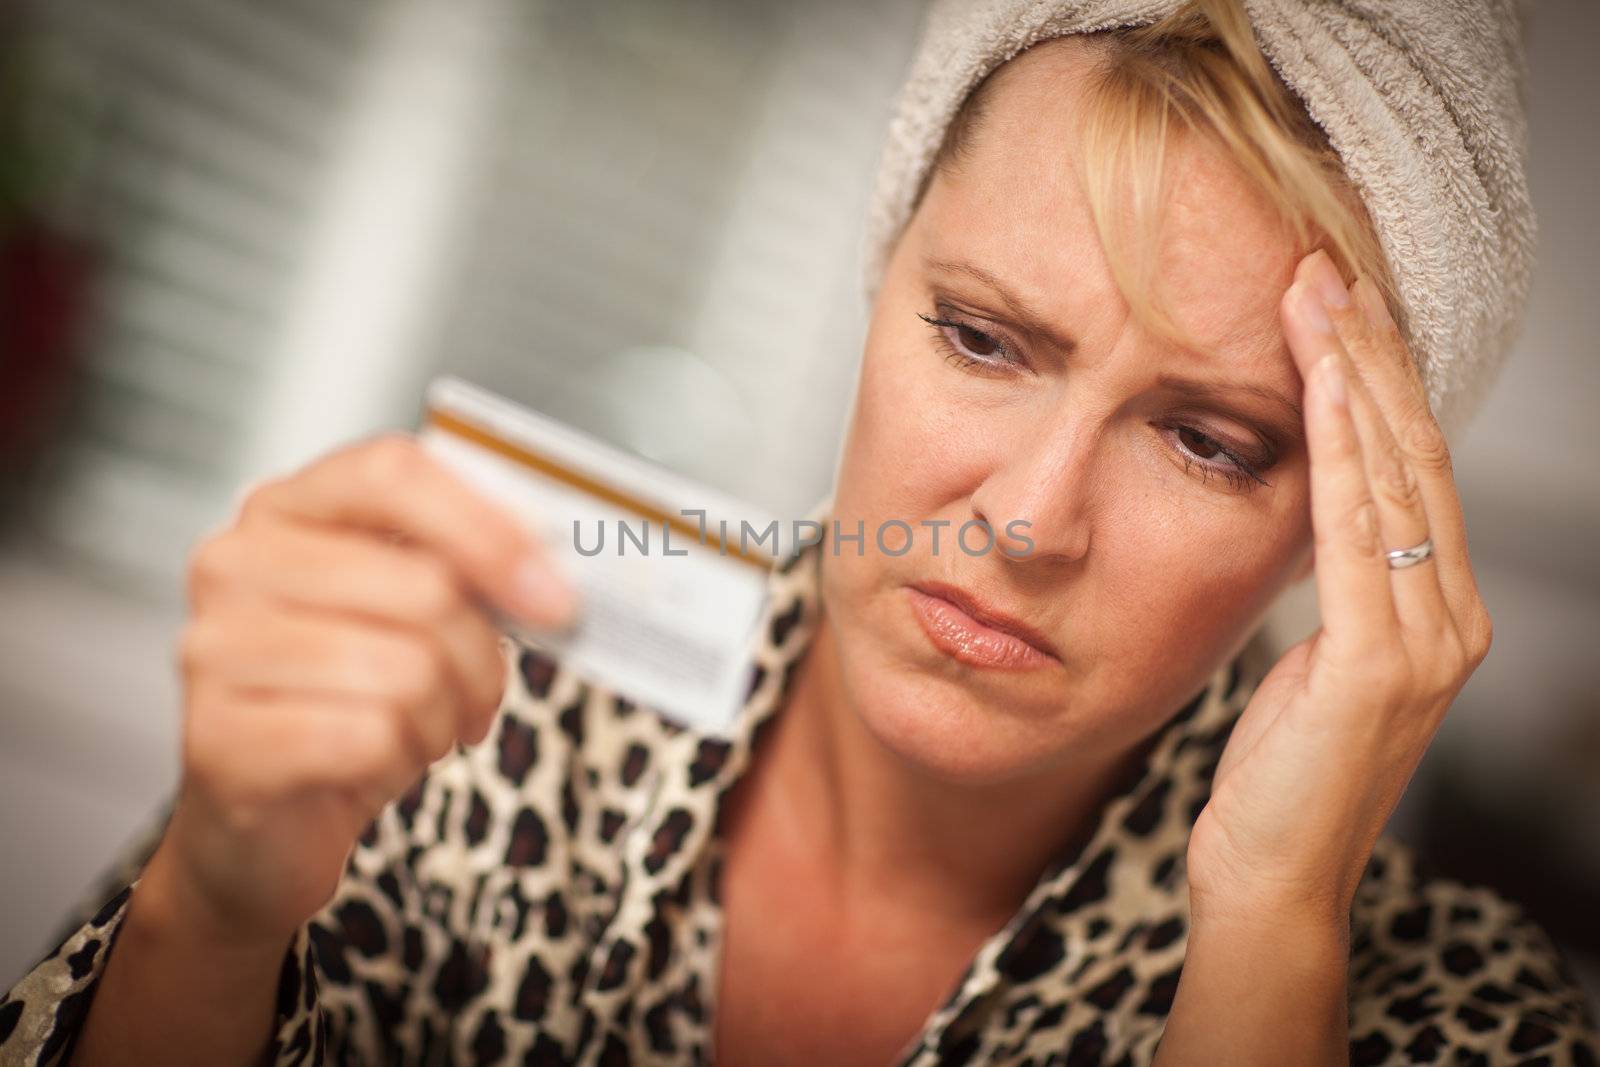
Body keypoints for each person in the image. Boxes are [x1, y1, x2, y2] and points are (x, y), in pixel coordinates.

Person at [4, 0, 1597, 1064]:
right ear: (878, 287)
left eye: (1209, 439)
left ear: (1346, 513)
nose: (1031, 520)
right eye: (981, 337)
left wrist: (1264, 932)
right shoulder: (468, 698)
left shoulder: (1459, 1016)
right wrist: (211, 906)